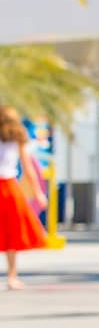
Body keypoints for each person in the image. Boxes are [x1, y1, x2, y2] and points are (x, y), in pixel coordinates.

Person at [0, 107, 48, 290]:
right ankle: (12, 276)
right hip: (10, 188)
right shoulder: (18, 140)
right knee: (12, 233)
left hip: (6, 186)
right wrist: (38, 193)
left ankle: (12, 277)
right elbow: (29, 170)